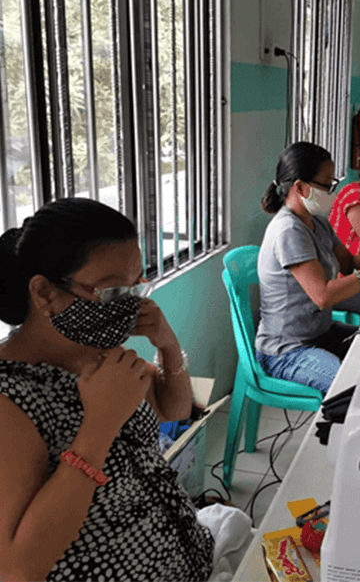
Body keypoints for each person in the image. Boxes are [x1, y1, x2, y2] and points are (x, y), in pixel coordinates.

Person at [0, 198, 215, 582]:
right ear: (45, 293)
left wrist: (167, 343)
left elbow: (176, 410)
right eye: (113, 291)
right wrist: (99, 426)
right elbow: (18, 568)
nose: (129, 305)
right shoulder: (10, 399)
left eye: (136, 286)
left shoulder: (97, 351)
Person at [255, 142, 360, 394]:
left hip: (321, 334)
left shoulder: (317, 223)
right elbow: (323, 296)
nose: (332, 192)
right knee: (356, 388)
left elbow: (349, 263)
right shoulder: (288, 231)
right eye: (327, 185)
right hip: (287, 350)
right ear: (300, 187)